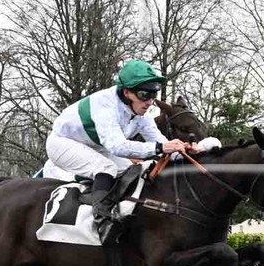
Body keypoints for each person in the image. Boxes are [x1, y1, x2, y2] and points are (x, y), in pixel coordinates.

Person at [46, 60, 196, 230]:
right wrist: (160, 148)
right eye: (144, 95)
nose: (149, 102)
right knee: (106, 168)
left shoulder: (141, 113)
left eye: (153, 95)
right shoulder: (105, 105)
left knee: (133, 171)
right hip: (62, 143)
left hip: (95, 147)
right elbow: (118, 147)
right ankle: (100, 220)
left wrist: (184, 150)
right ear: (126, 92)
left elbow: (162, 143)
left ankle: (115, 207)